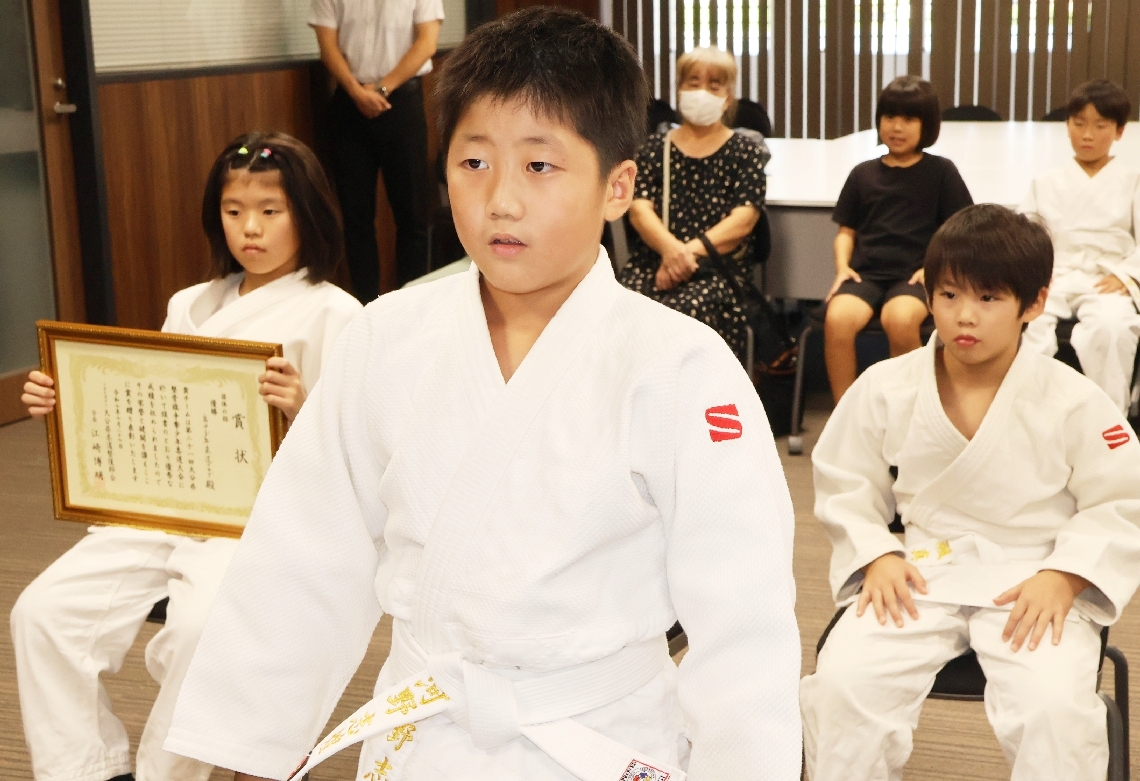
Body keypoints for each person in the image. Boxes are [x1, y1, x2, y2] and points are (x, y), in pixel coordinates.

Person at [163, 10, 801, 781]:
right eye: (473, 162)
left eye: (539, 166)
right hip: (424, 735)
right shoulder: (384, 337)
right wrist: (254, 744)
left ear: (617, 186)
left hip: (599, 736)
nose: (500, 199)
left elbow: (743, 616)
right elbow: (305, 553)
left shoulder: (680, 367)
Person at [11, 131, 362, 781]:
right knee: (42, 611)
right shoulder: (190, 303)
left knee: (200, 630)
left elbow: (359, 441)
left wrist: (301, 404)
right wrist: (65, 399)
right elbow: (152, 408)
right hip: (162, 505)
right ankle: (84, 768)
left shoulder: (335, 313)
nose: (249, 228)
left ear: (307, 214)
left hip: (254, 524)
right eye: (233, 211)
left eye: (270, 210)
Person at [800, 204, 1140, 781]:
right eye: (949, 295)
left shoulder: (1074, 398)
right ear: (928, 294)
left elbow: (1122, 500)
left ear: (1033, 303)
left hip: (1034, 579)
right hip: (918, 572)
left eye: (988, 298)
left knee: (1054, 709)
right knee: (842, 686)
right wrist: (876, 554)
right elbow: (844, 479)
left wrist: (1067, 576)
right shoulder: (887, 385)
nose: (965, 316)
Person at [825, 75, 973, 401]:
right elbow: (846, 232)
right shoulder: (862, 173)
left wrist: (936, 269)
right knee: (837, 319)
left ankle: (908, 410)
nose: (896, 127)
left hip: (915, 275)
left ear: (927, 125)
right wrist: (842, 267)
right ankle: (843, 412)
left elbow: (960, 231)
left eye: (908, 119)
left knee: (900, 320)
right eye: (889, 117)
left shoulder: (942, 172)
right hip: (866, 274)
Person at [618, 46, 770, 362]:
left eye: (714, 85)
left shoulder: (746, 151)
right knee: (623, 310)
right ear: (679, 89)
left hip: (716, 270)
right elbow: (639, 210)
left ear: (728, 97)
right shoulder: (654, 148)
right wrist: (670, 251)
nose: (702, 92)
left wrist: (685, 255)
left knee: (684, 315)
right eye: (693, 82)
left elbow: (743, 220)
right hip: (654, 261)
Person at [1019, 79, 1140, 415]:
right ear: (1067, 126)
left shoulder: (1133, 182)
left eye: (1100, 126)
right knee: (1027, 325)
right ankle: (1028, 413)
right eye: (1079, 124)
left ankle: (1108, 420)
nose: (1087, 135)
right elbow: (1024, 236)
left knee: (1112, 328)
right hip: (1053, 276)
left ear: (1119, 132)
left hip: (1107, 278)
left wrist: (1127, 276)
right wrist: (1036, 274)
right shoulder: (1045, 183)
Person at [311, 0, 443, 300]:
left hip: (402, 103)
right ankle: (365, 305)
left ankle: (411, 303)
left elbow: (427, 43)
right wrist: (356, 91)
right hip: (349, 105)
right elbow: (327, 46)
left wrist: (383, 88)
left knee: (413, 216)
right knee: (355, 218)